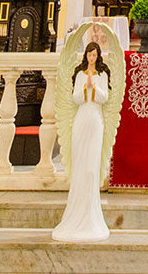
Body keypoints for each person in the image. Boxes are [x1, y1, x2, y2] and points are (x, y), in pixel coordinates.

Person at [53, 41, 112, 242]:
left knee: (91, 167)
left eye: (94, 55)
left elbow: (104, 97)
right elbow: (76, 98)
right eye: (89, 55)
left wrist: (93, 87)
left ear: (98, 56)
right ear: (86, 55)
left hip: (95, 120)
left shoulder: (102, 75)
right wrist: (85, 88)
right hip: (81, 119)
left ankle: (90, 214)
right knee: (80, 165)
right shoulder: (79, 74)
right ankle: (76, 212)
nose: (91, 58)